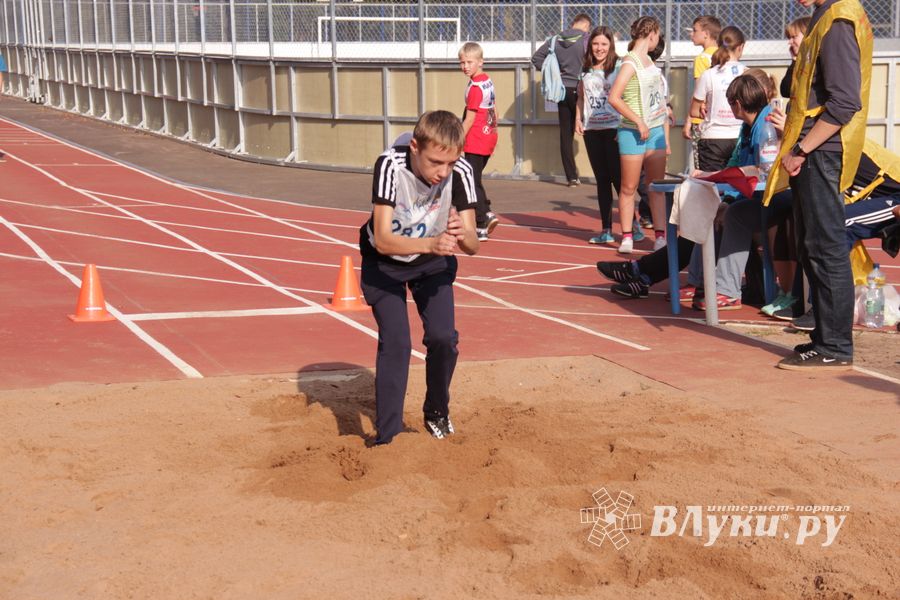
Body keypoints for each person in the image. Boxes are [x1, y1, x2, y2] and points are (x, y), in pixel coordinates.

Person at [595, 69, 780, 299]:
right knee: (706, 210)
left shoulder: (768, 127)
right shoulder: (747, 128)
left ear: (740, 102)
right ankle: (644, 275)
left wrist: (726, 181)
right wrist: (713, 176)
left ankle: (646, 273)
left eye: (730, 102)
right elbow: (736, 165)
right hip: (744, 196)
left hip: (764, 201)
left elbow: (762, 172)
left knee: (716, 214)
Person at [763, 0, 873, 371]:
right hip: (813, 151)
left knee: (825, 246)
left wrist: (801, 149)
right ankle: (825, 338)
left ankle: (836, 346)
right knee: (812, 244)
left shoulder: (839, 19)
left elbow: (844, 102)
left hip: (820, 152)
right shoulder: (825, 16)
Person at [357, 110, 480, 445]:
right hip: (384, 264)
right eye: (435, 162)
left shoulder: (462, 171)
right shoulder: (390, 166)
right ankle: (390, 435)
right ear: (414, 147)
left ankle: (437, 409)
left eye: (451, 163)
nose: (443, 172)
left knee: (443, 337)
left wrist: (461, 232)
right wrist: (432, 241)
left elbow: (473, 246)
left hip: (432, 262)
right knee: (397, 342)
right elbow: (382, 238)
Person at [608, 16, 668, 254]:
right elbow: (614, 97)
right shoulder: (629, 63)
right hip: (633, 132)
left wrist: (664, 113)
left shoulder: (650, 61)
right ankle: (627, 236)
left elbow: (656, 95)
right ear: (651, 33)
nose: (658, 40)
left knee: (656, 186)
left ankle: (660, 236)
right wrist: (638, 121)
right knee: (629, 186)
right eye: (658, 35)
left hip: (655, 129)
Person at [532, 13, 592, 187]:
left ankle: (571, 177)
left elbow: (536, 58)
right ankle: (603, 172)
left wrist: (553, 73)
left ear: (572, 24)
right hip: (582, 90)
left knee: (566, 134)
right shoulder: (587, 40)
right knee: (592, 129)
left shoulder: (554, 40)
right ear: (586, 26)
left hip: (561, 91)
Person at [575, 26, 621, 245]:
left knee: (619, 180)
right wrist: (578, 118)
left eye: (603, 44)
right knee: (602, 180)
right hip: (592, 130)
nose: (599, 48)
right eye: (595, 44)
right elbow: (581, 97)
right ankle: (606, 229)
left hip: (614, 129)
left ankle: (633, 226)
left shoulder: (619, 67)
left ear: (610, 45)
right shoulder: (585, 69)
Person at [458, 42, 500, 241]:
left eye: (469, 62)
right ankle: (486, 212)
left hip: (476, 139)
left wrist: (457, 139)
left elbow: (470, 118)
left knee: (471, 180)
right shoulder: (486, 81)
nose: (465, 66)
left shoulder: (476, 87)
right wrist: (493, 130)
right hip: (487, 135)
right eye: (462, 62)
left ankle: (482, 219)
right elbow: (494, 108)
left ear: (480, 62)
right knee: (474, 177)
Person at [690, 26, 747, 172]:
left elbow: (694, 112)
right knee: (740, 187)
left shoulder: (709, 74)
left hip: (713, 139)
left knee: (711, 189)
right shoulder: (748, 73)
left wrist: (704, 108)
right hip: (741, 137)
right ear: (740, 47)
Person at [682, 15, 722, 170]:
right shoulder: (724, 55)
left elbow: (699, 92)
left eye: (695, 30)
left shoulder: (702, 58)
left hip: (701, 121)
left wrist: (689, 120)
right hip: (719, 120)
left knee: (699, 169)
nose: (691, 34)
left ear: (706, 33)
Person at [780, 17, 812, 99]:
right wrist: (794, 61)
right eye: (789, 38)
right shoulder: (800, 62)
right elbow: (786, 90)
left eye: (794, 37)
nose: (790, 42)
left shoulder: (816, 62)